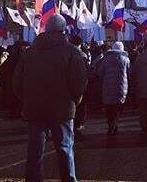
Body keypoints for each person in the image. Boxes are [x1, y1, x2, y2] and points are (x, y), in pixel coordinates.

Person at [12, 14, 88, 182]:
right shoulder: (72, 52)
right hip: (62, 109)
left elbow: (17, 83)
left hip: (35, 109)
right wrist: (75, 101)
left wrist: (28, 100)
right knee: (65, 149)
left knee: (34, 152)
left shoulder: (30, 52)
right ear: (63, 30)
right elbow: (80, 82)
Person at [97, 41, 131, 135]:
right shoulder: (126, 59)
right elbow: (129, 73)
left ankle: (111, 124)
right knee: (118, 108)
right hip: (121, 87)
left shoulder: (105, 59)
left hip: (107, 87)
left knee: (109, 108)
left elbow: (100, 72)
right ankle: (114, 124)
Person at [69, 35, 90, 135]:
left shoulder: (67, 53)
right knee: (81, 105)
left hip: (68, 84)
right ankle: (78, 124)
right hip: (81, 84)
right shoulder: (83, 55)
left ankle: (72, 123)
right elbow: (86, 71)